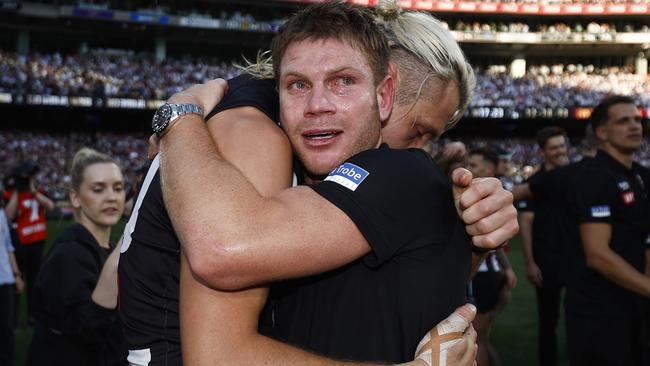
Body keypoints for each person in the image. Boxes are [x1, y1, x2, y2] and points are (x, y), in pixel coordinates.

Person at [119, 2, 516, 365]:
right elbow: (219, 319)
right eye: (418, 131)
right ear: (383, 91)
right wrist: (177, 118)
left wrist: (467, 228)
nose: (417, 153)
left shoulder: (276, 135)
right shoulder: (255, 135)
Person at [564, 95, 649, 366]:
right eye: (623, 121)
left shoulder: (640, 175)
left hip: (635, 305)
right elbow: (597, 254)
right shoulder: (593, 176)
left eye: (637, 119)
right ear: (602, 132)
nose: (635, 126)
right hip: (599, 313)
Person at [27, 148, 127, 366]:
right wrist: (127, 246)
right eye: (98, 189)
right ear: (75, 197)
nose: (111, 196)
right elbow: (89, 330)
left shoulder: (105, 249)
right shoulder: (67, 255)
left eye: (118, 188)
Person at [512, 126, 569, 366]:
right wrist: (530, 263)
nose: (560, 151)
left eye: (562, 146)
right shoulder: (535, 182)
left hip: (578, 256)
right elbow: (525, 223)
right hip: (547, 258)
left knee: (582, 314)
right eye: (554, 148)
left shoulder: (576, 176)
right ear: (543, 152)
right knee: (548, 319)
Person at [466, 148, 517, 366]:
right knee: (482, 339)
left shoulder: (486, 198)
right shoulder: (489, 196)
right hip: (489, 274)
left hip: (482, 278)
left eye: (474, 165)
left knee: (478, 342)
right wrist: (507, 269)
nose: (468, 169)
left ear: (488, 169)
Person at [3, 161, 54, 324]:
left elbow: (51, 206)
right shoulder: (11, 194)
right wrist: (18, 190)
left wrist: (33, 192)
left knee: (35, 280)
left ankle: (33, 315)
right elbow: (9, 215)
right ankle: (15, 318)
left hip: (37, 242)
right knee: (18, 281)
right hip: (20, 243)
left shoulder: (37, 192)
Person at [0, 195, 24, 366]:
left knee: (7, 330)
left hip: (5, 279)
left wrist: (16, 275)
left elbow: (8, 245)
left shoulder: (1, 213)